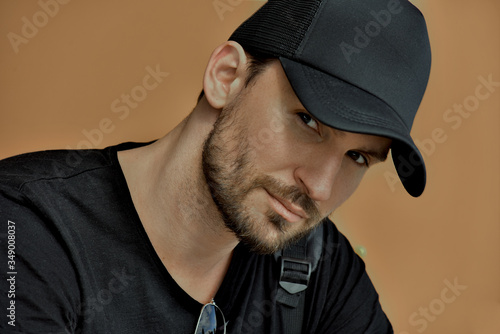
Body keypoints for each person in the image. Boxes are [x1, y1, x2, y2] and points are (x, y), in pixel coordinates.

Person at [0, 0, 432, 332]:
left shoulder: (320, 267)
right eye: (308, 121)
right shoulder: (27, 230)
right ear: (227, 77)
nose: (319, 188)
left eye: (357, 157)